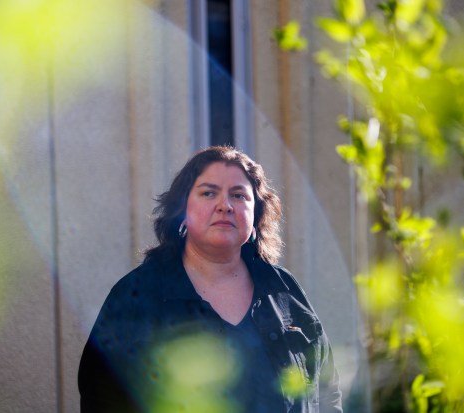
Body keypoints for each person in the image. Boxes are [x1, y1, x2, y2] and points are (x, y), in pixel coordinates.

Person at [78, 146, 343, 412]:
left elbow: (327, 394)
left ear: (256, 213)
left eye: (238, 195)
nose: (225, 206)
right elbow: (102, 400)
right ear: (182, 209)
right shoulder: (136, 296)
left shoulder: (285, 292)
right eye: (209, 193)